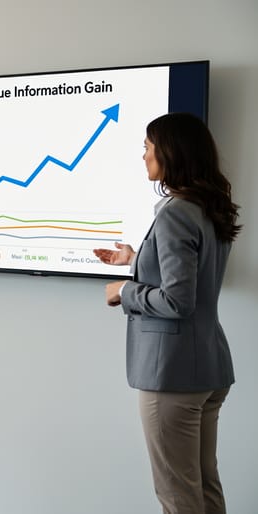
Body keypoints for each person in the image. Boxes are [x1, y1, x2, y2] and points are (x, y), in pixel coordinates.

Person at [93, 112, 240, 514]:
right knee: (204, 485)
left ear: (170, 153)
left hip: (172, 375)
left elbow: (177, 300)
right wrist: (135, 259)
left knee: (177, 495)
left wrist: (126, 291)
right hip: (207, 366)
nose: (143, 156)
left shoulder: (176, 211)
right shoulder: (207, 207)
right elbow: (193, 271)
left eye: (147, 147)